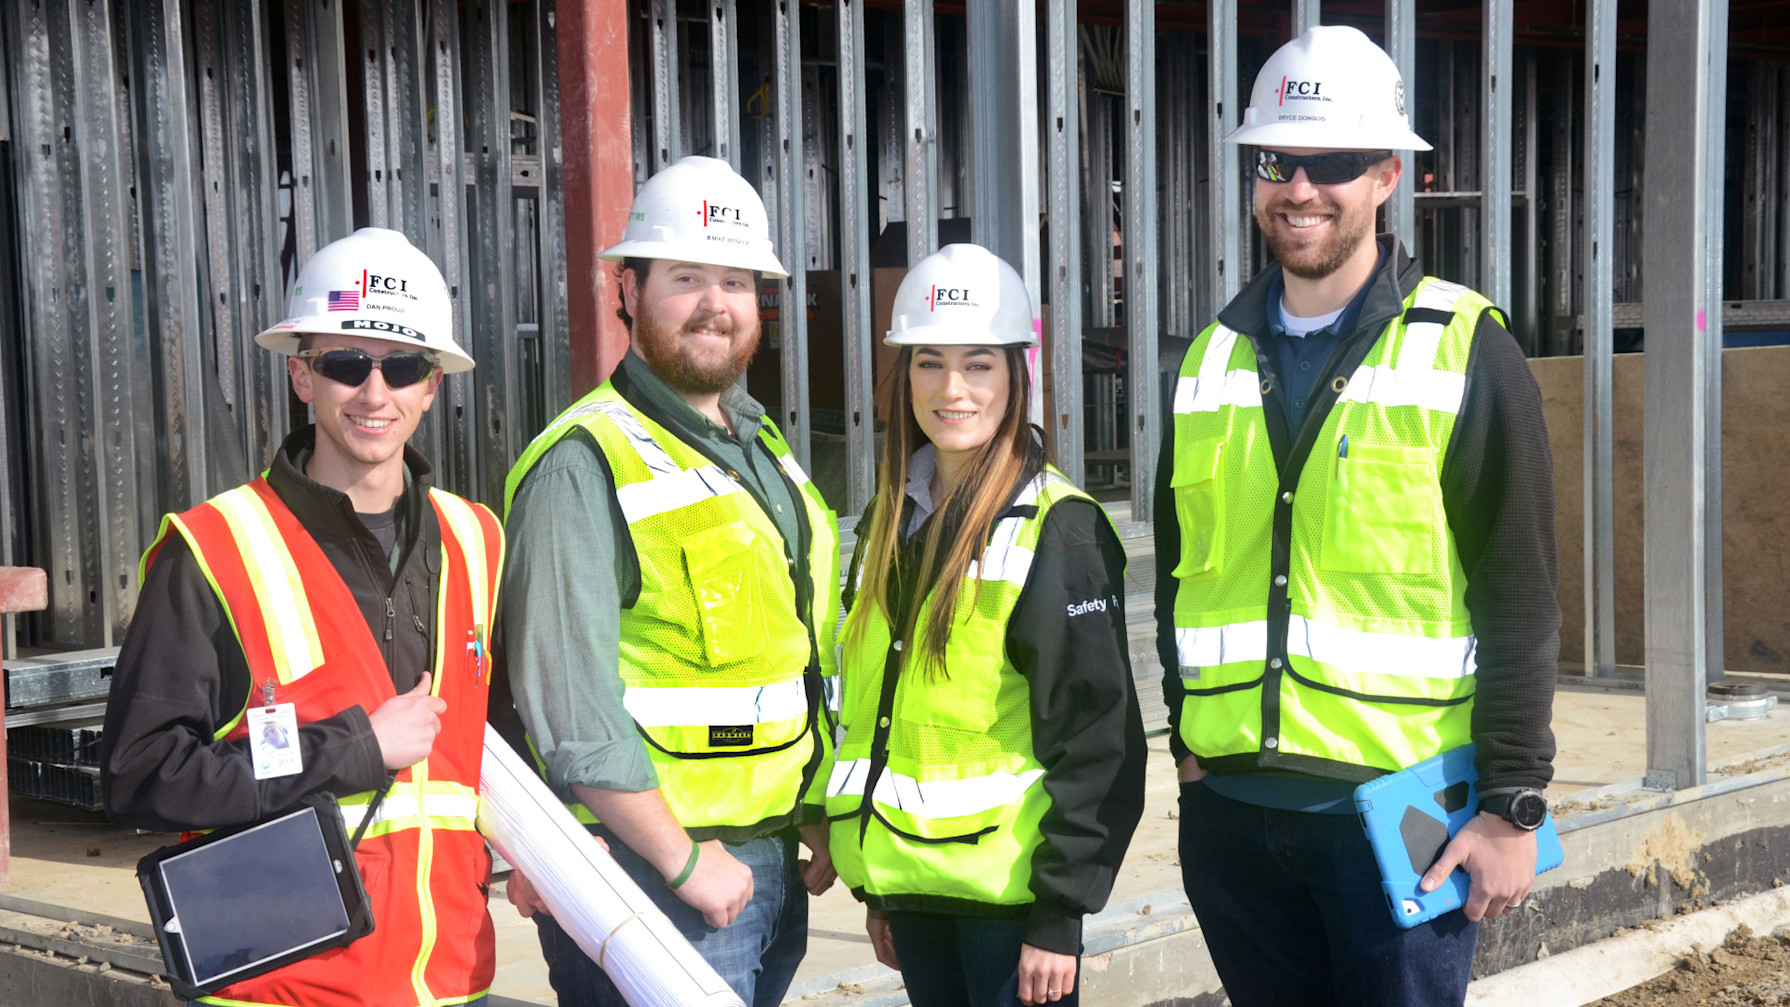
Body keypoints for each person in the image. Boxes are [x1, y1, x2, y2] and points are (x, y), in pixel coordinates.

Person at [1155, 24, 1561, 1007]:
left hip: (1400, 810)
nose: (1299, 187)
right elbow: (1175, 570)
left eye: (1333, 160)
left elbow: (1519, 593)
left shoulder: (1464, 347)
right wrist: (1188, 750)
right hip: (1231, 814)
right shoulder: (1209, 357)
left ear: (1386, 175)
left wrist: (1512, 802)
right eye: (1276, 161)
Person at [100, 227, 504, 1007]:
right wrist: (356, 747)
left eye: (402, 366)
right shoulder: (212, 548)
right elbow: (140, 773)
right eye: (347, 363)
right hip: (280, 990)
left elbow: (499, 744)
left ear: (432, 385)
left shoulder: (477, 539)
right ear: (302, 374)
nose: (375, 393)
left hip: (452, 984)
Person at [494, 154, 839, 1007]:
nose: (716, 303)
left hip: (764, 858)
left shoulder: (762, 448)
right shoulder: (583, 462)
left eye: (736, 280)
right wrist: (681, 860)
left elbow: (789, 652)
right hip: (655, 873)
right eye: (686, 277)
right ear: (629, 288)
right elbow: (569, 707)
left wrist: (814, 809)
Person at [826, 244, 1147, 1007]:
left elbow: (1099, 740)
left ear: (1016, 376)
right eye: (929, 363)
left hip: (1012, 910)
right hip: (915, 890)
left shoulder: (1056, 528)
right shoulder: (887, 519)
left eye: (978, 364)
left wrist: (1061, 913)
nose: (952, 389)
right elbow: (880, 712)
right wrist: (880, 887)